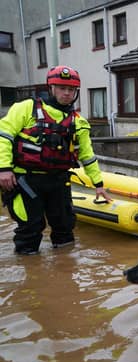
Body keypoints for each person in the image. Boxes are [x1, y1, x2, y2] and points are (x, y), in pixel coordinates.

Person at [0, 65, 111, 255]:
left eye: (71, 90)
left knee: (65, 228)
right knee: (30, 228)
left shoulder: (79, 122)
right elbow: (4, 136)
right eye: (61, 88)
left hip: (59, 181)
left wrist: (98, 184)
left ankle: (65, 271)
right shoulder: (26, 109)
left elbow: (87, 155)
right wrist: (3, 168)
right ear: (51, 88)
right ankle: (30, 272)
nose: (66, 93)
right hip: (26, 180)